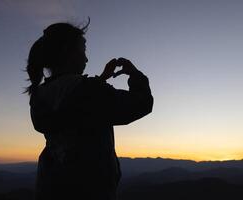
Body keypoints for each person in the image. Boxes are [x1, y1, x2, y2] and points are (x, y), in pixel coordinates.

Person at [24, 21, 153, 200]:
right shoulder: (90, 93)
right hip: (91, 190)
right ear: (67, 52)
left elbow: (76, 111)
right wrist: (135, 74)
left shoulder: (40, 95)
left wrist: (100, 80)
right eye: (82, 50)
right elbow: (141, 104)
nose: (86, 59)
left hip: (52, 187)